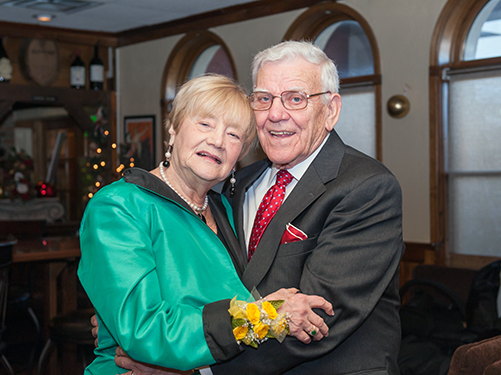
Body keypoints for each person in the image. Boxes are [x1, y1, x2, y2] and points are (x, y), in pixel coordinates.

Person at [113, 40, 405, 375]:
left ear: (331, 110)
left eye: (295, 99)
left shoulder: (366, 187)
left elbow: (314, 322)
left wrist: (193, 369)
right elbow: (200, 285)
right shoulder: (237, 184)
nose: (276, 114)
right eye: (264, 99)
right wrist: (124, 321)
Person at [78, 74, 334, 375]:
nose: (217, 141)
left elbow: (240, 303)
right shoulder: (119, 206)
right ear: (173, 129)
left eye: (234, 135)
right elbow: (143, 330)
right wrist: (265, 316)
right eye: (205, 124)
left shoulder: (226, 210)